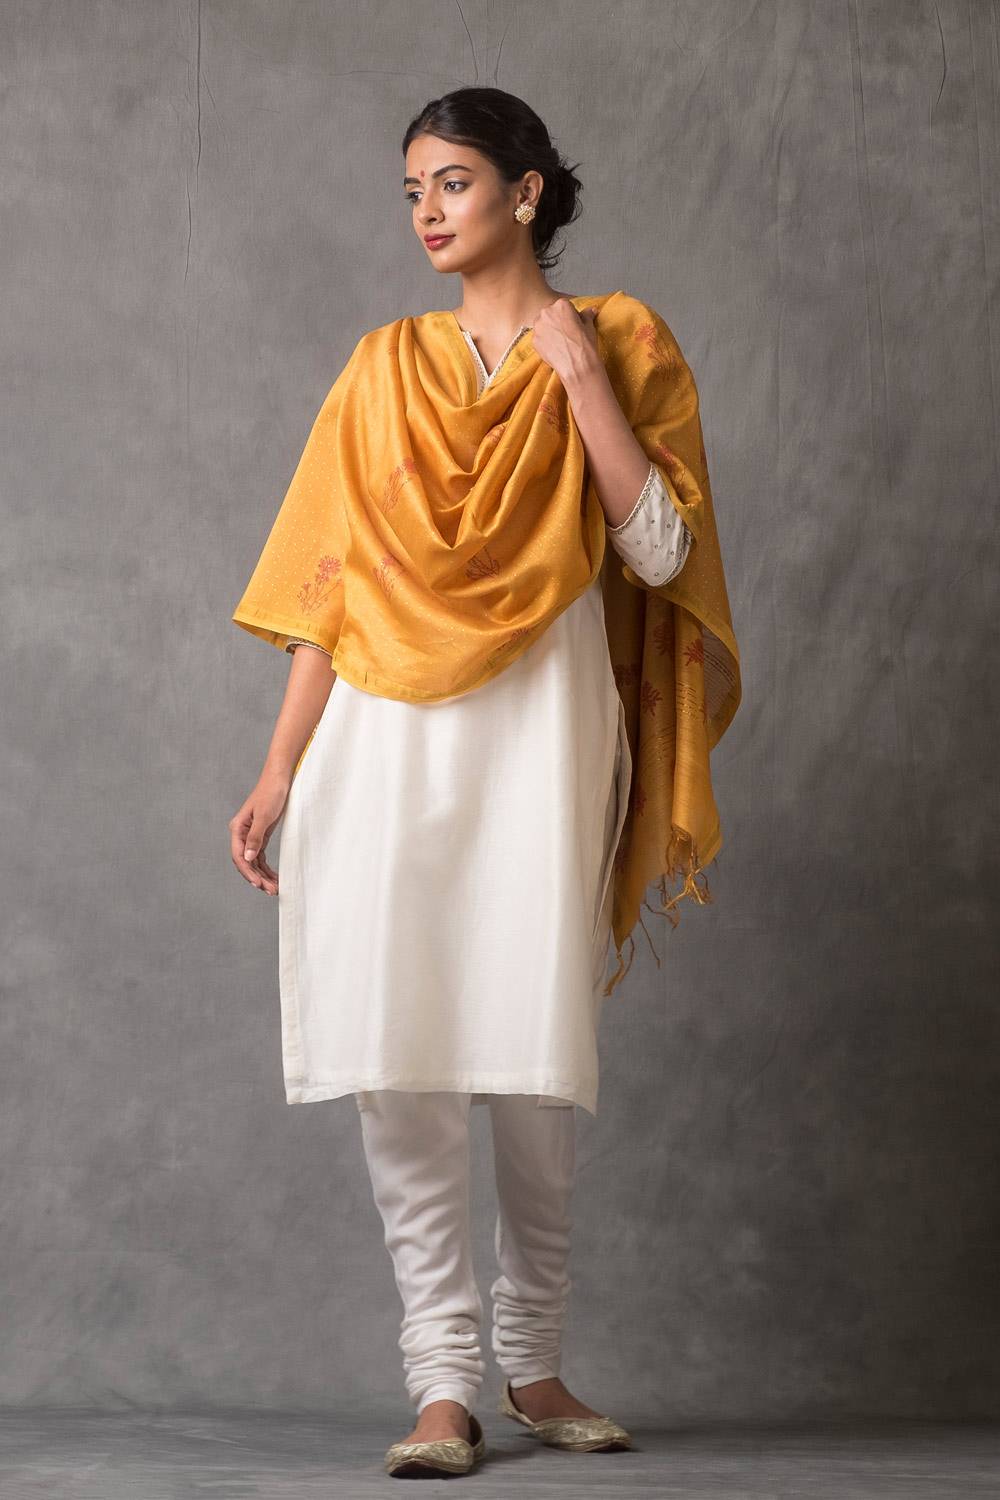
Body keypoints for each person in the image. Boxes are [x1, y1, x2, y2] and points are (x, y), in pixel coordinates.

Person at [228, 86, 741, 1479]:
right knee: (397, 1049)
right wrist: (278, 770)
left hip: (542, 728)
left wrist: (579, 381)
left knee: (532, 1040)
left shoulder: (618, 341)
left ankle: (535, 1359)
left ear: (527, 192)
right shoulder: (381, 367)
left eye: (452, 182)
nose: (428, 212)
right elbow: (331, 595)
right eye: (412, 191)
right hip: (381, 738)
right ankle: (441, 1382)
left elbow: (658, 554)